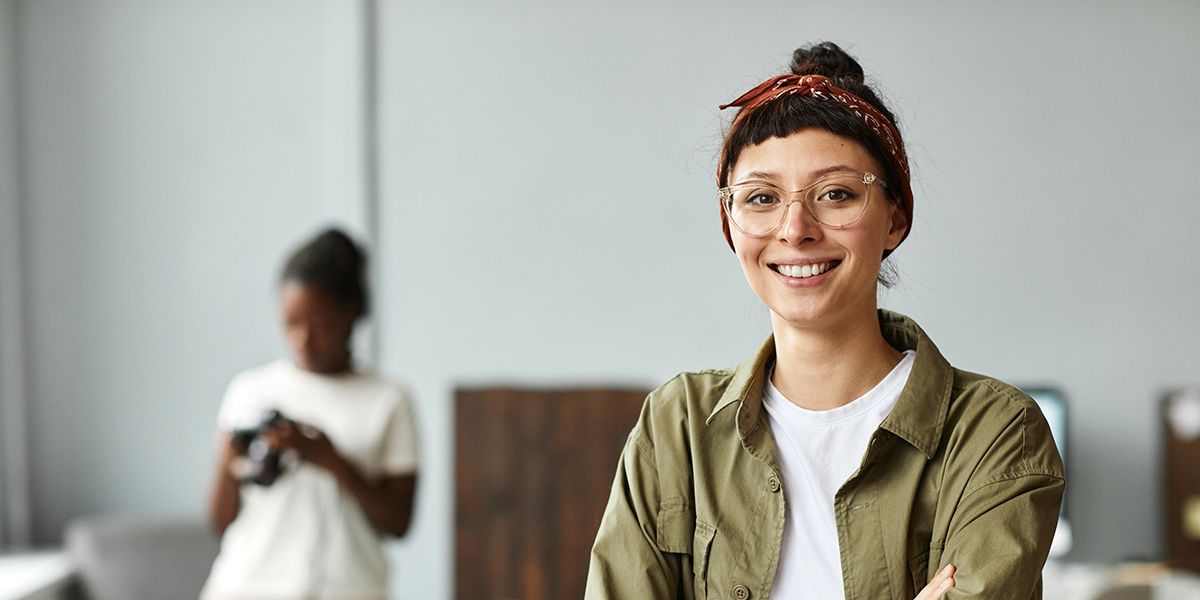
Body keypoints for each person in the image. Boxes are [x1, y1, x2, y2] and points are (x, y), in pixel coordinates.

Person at [586, 42, 1063, 599]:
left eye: (835, 194)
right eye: (761, 197)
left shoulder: (994, 433)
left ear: (895, 217)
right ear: (730, 225)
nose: (795, 229)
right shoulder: (677, 427)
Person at [202, 228, 419, 600]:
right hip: (247, 588)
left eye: (317, 325)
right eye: (291, 323)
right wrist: (229, 459)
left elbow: (398, 522)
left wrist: (328, 458)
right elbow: (221, 521)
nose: (303, 339)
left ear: (351, 313)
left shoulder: (389, 400)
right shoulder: (249, 391)